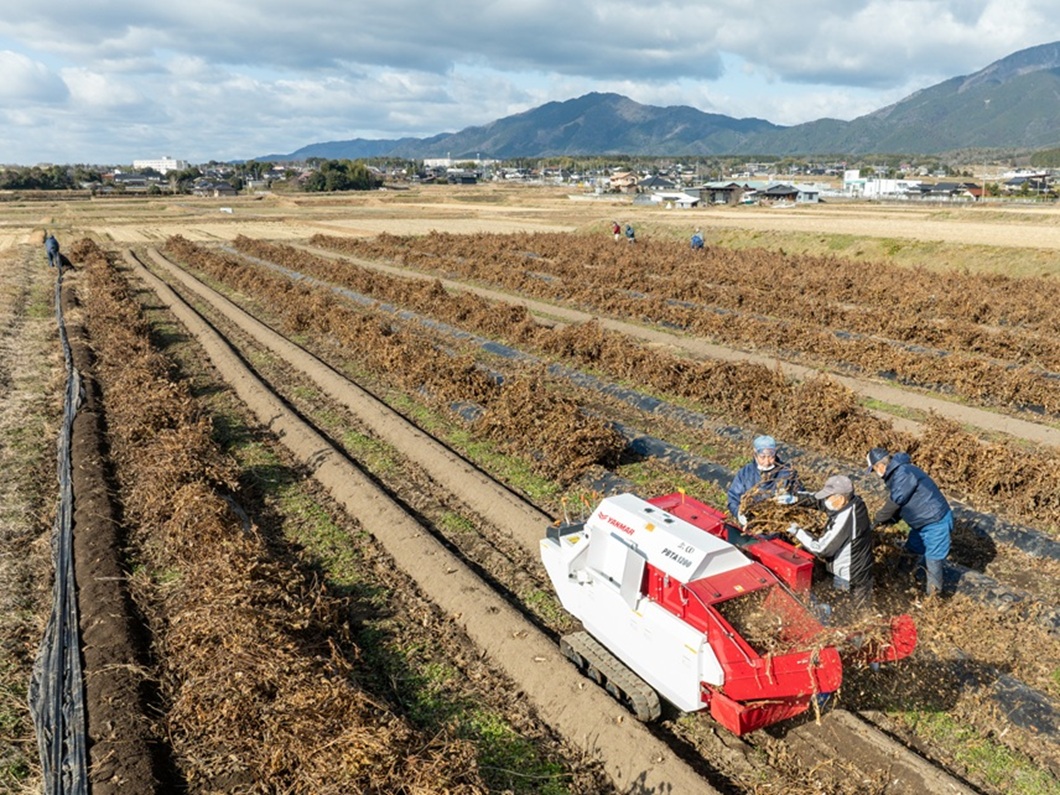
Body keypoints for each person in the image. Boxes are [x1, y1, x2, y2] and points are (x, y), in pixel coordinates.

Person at [867, 447, 952, 596]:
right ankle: (899, 583)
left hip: (935, 522)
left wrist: (877, 520)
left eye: (874, 470)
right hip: (920, 524)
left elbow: (896, 501)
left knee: (933, 561)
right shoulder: (896, 474)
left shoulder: (903, 472)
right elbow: (903, 504)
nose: (876, 474)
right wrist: (891, 521)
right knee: (911, 551)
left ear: (880, 465)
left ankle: (933, 600)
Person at [783, 474, 873, 613]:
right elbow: (819, 501)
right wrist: (796, 498)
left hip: (849, 575)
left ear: (841, 498)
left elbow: (821, 549)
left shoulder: (846, 519)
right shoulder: (852, 501)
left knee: (849, 611)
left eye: (828, 497)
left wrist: (798, 531)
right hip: (853, 568)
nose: (826, 501)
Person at [726, 435, 800, 528]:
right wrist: (739, 514)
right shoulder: (746, 473)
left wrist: (792, 500)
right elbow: (733, 498)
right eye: (762, 457)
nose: (767, 462)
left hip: (778, 526)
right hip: (753, 525)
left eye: (771, 457)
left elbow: (800, 495)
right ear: (755, 454)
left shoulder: (787, 472)